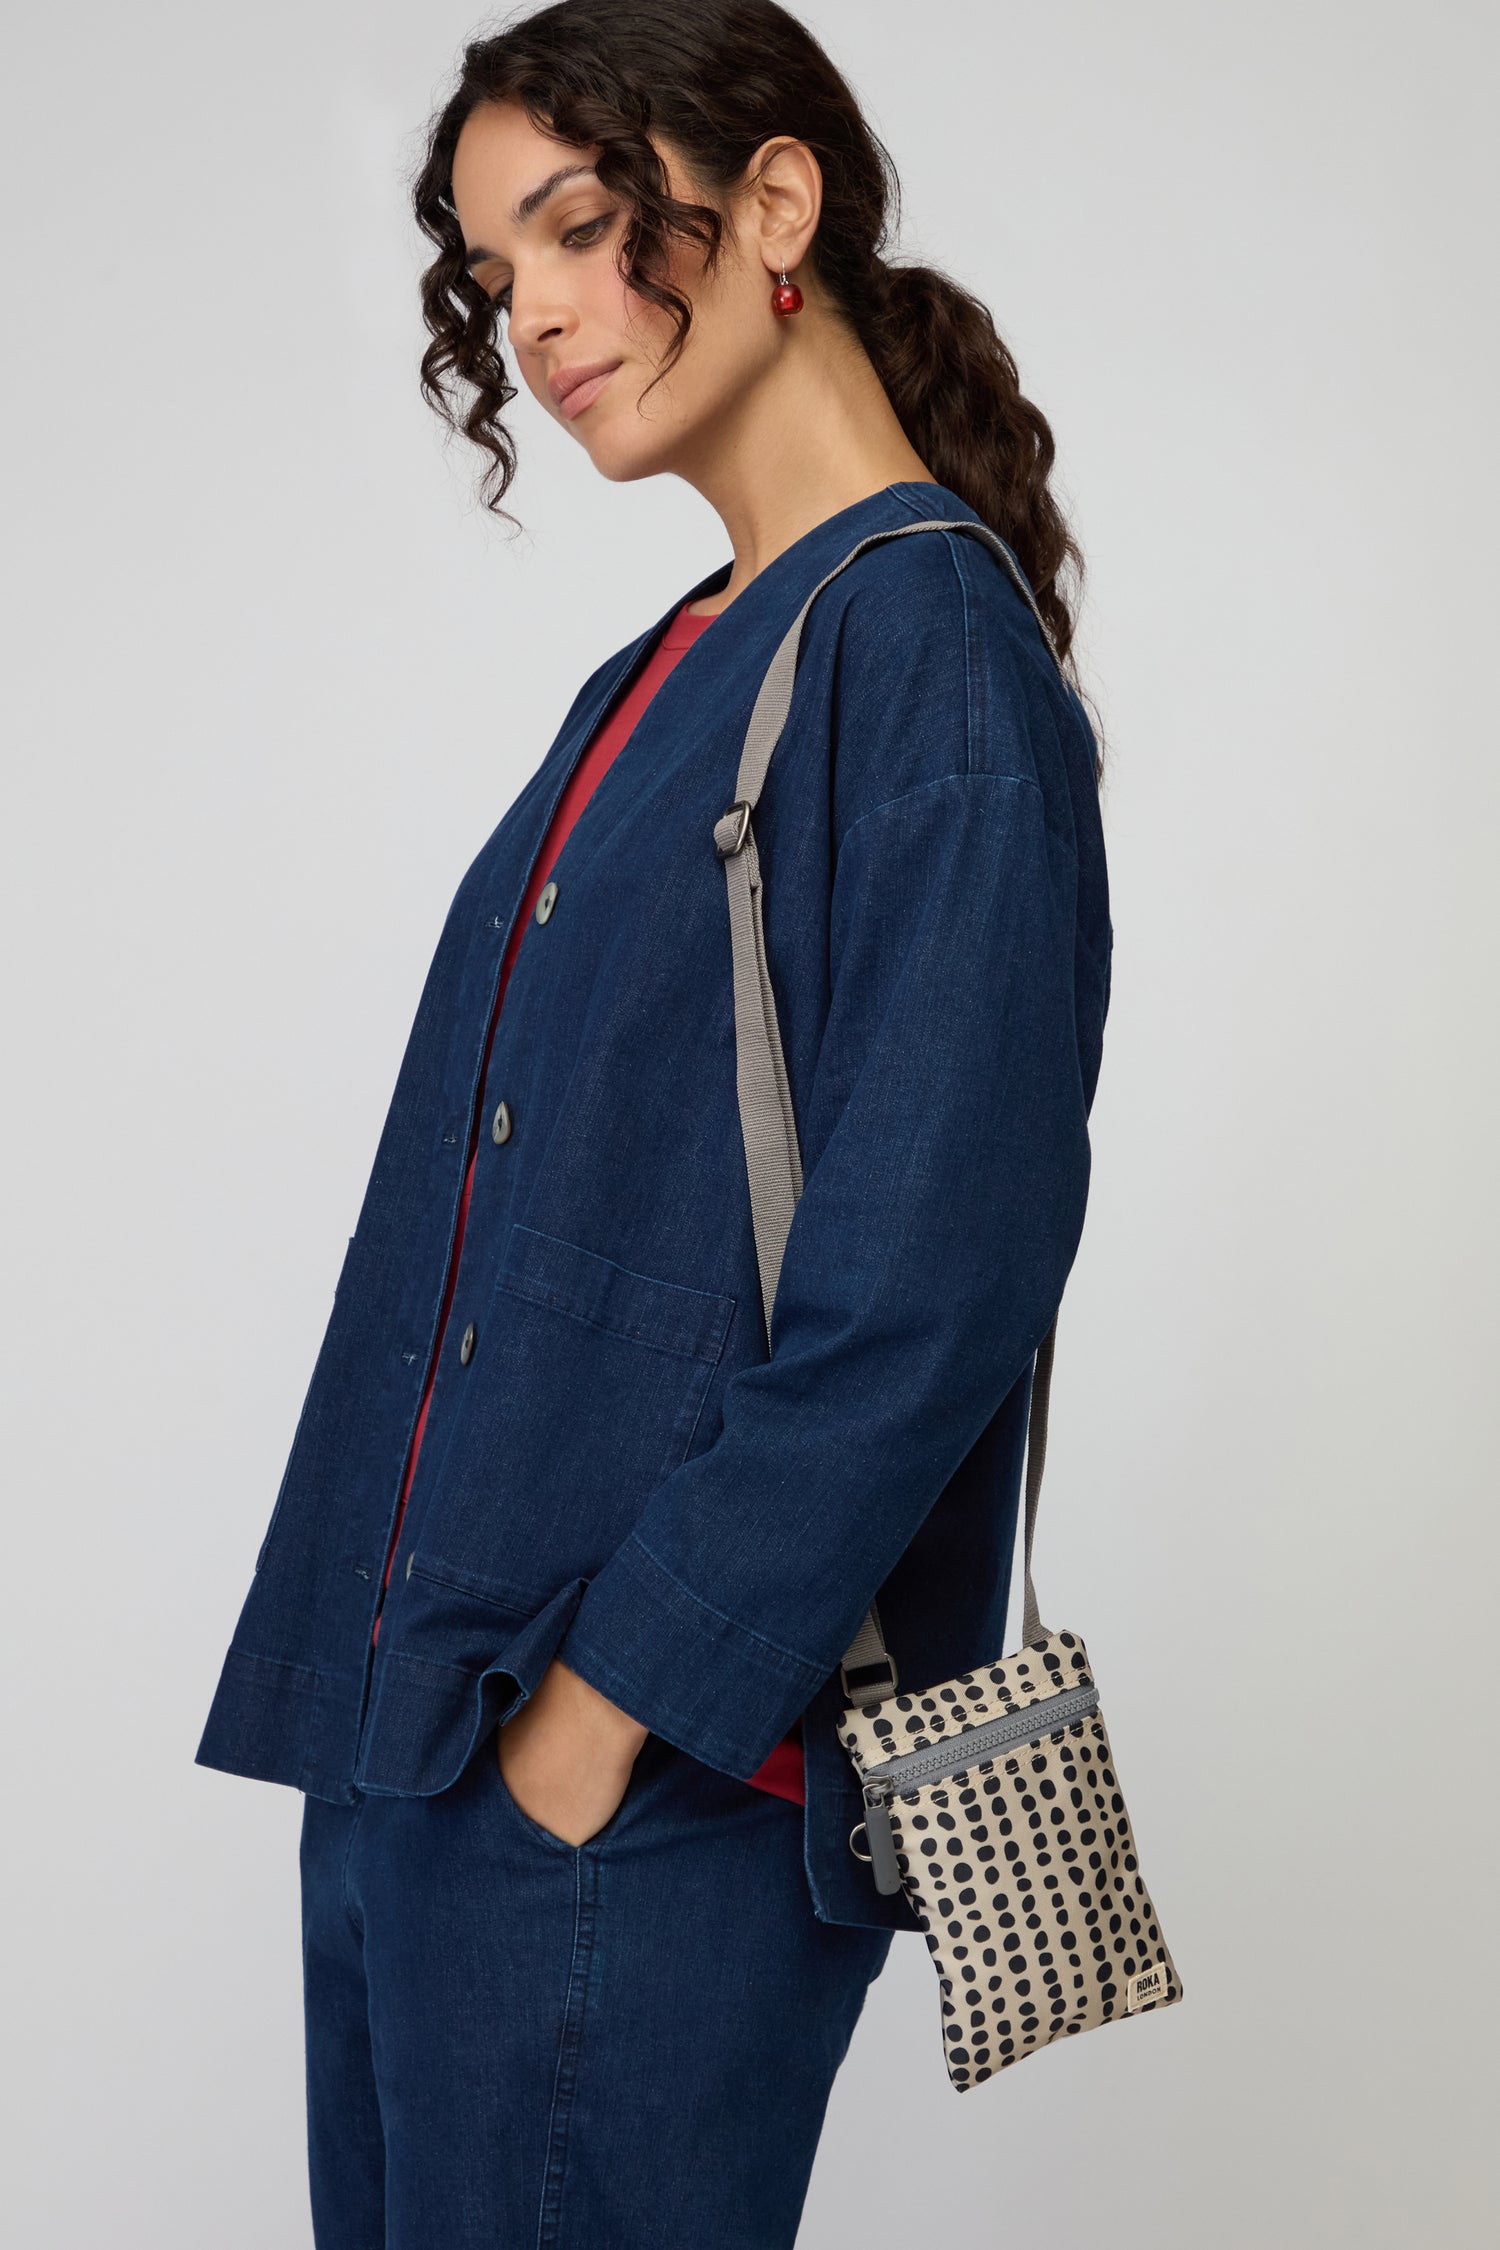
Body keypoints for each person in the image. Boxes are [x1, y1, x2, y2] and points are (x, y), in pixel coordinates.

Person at [194, 2, 1112, 2242]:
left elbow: (936, 1280)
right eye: (497, 277)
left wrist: (605, 1727)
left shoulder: (928, 656)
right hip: (420, 1754)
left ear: (773, 203)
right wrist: (420, 1753)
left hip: (628, 1791)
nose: (537, 321)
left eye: (583, 232)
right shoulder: (670, 664)